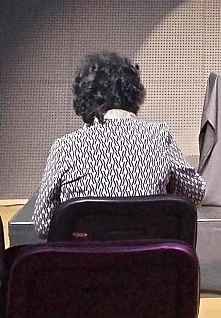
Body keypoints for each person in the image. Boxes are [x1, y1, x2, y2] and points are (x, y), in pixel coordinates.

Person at [30, 51, 205, 237]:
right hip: (150, 255)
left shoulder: (65, 147)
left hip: (85, 256)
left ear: (84, 98)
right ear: (134, 94)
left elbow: (43, 224)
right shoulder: (159, 136)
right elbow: (195, 192)